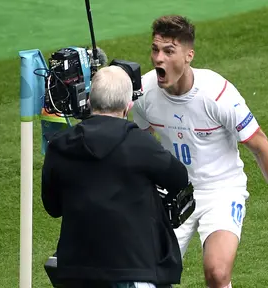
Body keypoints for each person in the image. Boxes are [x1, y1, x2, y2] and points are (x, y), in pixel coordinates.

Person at [131, 15, 268, 288]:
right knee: (148, 275)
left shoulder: (217, 94)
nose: (158, 58)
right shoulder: (144, 92)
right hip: (174, 193)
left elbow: (260, 145)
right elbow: (141, 142)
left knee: (217, 273)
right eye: (155, 49)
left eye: (168, 51)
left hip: (221, 190)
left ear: (189, 55)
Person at [41, 65, 190, 288]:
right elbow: (179, 178)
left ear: (89, 100)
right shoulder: (140, 143)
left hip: (76, 271)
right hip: (134, 267)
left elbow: (52, 207)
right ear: (128, 106)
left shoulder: (60, 145)